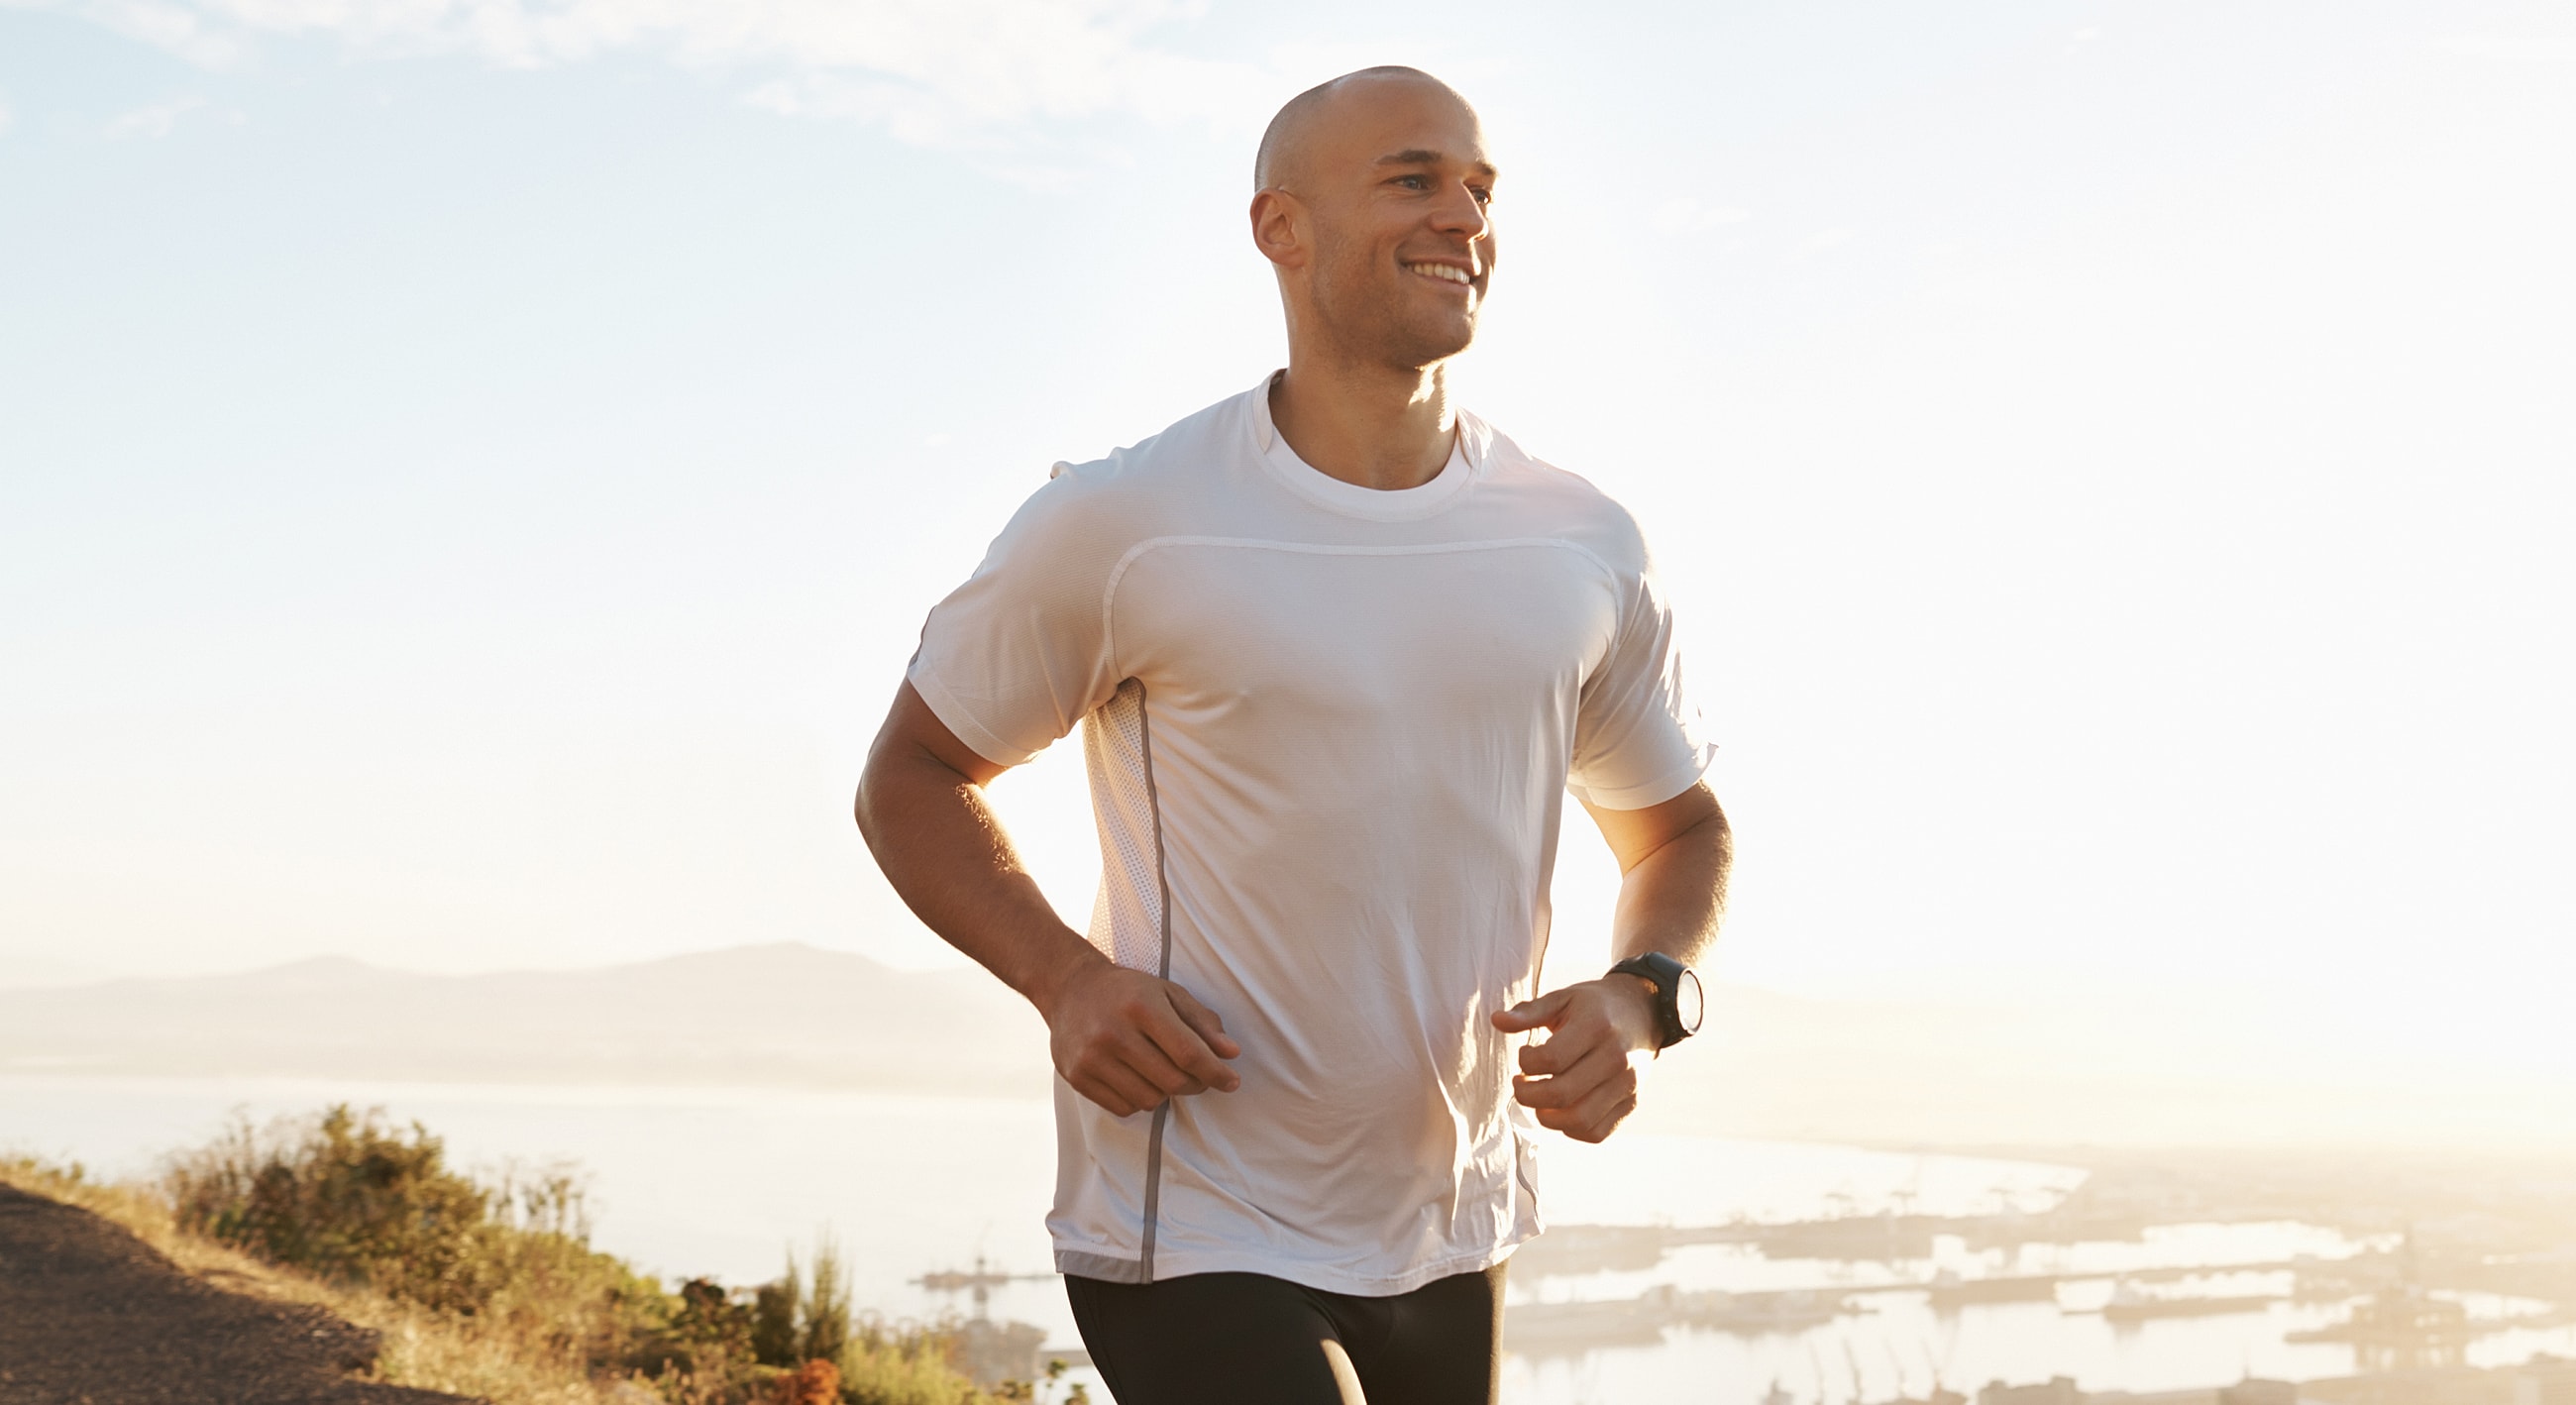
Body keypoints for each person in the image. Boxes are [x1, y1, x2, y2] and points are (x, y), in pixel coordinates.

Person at [854, 64, 1730, 1405]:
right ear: (1282, 227)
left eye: (1481, 188)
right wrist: (1066, 981)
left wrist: (1643, 996)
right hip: (1192, 1216)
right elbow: (912, 777)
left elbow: (1679, 830)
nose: (1463, 218)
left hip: (1453, 1225)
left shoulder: (1578, 540)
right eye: (1413, 179)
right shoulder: (1129, 521)